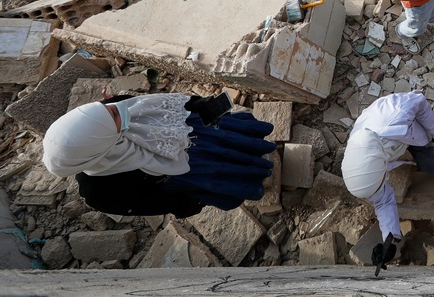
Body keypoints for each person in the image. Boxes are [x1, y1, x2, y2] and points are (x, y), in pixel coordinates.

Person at [42, 93, 275, 218]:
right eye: (112, 115)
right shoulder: (99, 192)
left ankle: (259, 156)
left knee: (235, 141)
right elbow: (153, 203)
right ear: (98, 144)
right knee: (231, 173)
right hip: (193, 172)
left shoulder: (105, 113)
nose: (119, 107)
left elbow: (157, 103)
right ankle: (258, 175)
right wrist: (192, 202)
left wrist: (200, 105)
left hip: (193, 132)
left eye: (107, 108)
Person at [341, 92, 434, 267]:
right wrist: (389, 240)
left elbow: (420, 101)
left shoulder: (396, 113)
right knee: (428, 166)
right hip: (393, 145)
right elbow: (383, 202)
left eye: (380, 183)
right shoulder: (362, 167)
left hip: (410, 129)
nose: (382, 187)